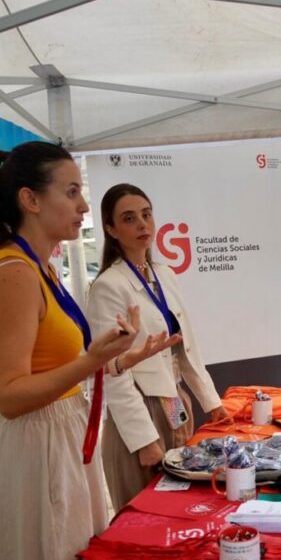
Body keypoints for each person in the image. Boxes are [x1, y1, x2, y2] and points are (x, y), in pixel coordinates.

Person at [0, 142, 174, 560]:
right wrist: (91, 363)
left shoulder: (43, 269)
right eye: (72, 191)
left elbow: (59, 374)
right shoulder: (12, 272)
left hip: (63, 438)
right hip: (36, 446)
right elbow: (9, 395)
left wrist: (123, 358)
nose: (84, 205)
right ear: (29, 200)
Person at [86, 183, 229, 511]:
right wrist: (143, 439)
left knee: (180, 506)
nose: (142, 225)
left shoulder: (164, 274)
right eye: (129, 218)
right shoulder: (108, 286)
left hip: (175, 405)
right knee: (144, 514)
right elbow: (111, 371)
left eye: (146, 215)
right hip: (140, 409)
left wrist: (211, 402)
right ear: (110, 229)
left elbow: (184, 347)